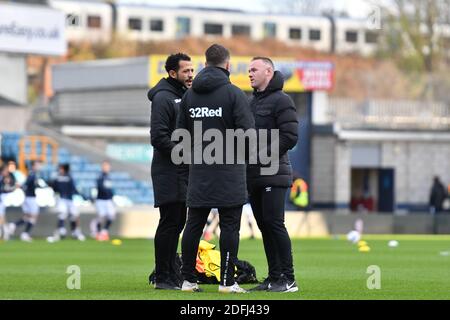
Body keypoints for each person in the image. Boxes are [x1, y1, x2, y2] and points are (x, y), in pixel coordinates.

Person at [177, 44, 254, 293]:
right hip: (229, 169)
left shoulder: (190, 96)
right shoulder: (234, 94)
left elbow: (181, 135)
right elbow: (247, 134)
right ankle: (227, 282)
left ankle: (187, 280)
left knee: (194, 224)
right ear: (228, 65)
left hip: (199, 169)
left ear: (205, 64)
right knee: (230, 226)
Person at [246, 57, 299, 292]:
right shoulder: (251, 102)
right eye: (248, 70)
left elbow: (290, 136)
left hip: (274, 172)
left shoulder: (282, 100)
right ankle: (274, 277)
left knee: (275, 224)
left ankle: (288, 279)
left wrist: (261, 156)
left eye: (254, 69)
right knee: (265, 226)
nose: (249, 73)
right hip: (254, 174)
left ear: (268, 71)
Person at [148, 53, 194, 290]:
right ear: (172, 73)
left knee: (177, 221)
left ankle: (169, 273)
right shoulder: (164, 98)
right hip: (168, 170)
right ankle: (163, 276)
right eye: (186, 71)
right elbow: (158, 137)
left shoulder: (184, 96)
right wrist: (184, 154)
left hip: (181, 170)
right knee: (170, 221)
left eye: (192, 70)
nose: (191, 75)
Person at [49, 164, 85, 241]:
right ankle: (61, 231)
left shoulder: (65, 177)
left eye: (61, 168)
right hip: (63, 198)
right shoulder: (64, 177)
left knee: (73, 215)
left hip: (68, 199)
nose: (60, 170)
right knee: (63, 214)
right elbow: (55, 187)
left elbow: (54, 187)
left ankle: (74, 231)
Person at [8, 161, 43, 241]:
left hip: (28, 198)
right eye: (38, 165)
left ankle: (13, 225)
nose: (39, 167)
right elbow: (25, 185)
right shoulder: (32, 175)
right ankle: (25, 234)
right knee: (34, 217)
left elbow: (26, 185)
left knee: (27, 217)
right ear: (34, 166)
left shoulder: (33, 174)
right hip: (31, 198)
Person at [94, 161, 115, 241]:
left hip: (108, 200)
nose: (106, 168)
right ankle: (98, 233)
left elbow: (110, 189)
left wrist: (111, 195)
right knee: (101, 216)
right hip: (101, 200)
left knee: (111, 215)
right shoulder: (100, 176)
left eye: (107, 166)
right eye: (105, 166)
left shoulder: (108, 177)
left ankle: (104, 231)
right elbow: (100, 187)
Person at [0, 165, 17, 240]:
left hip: (1, 199)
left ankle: (4, 232)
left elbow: (9, 189)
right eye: (5, 171)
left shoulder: (5, 179)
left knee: (1, 215)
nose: (7, 173)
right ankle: (5, 232)